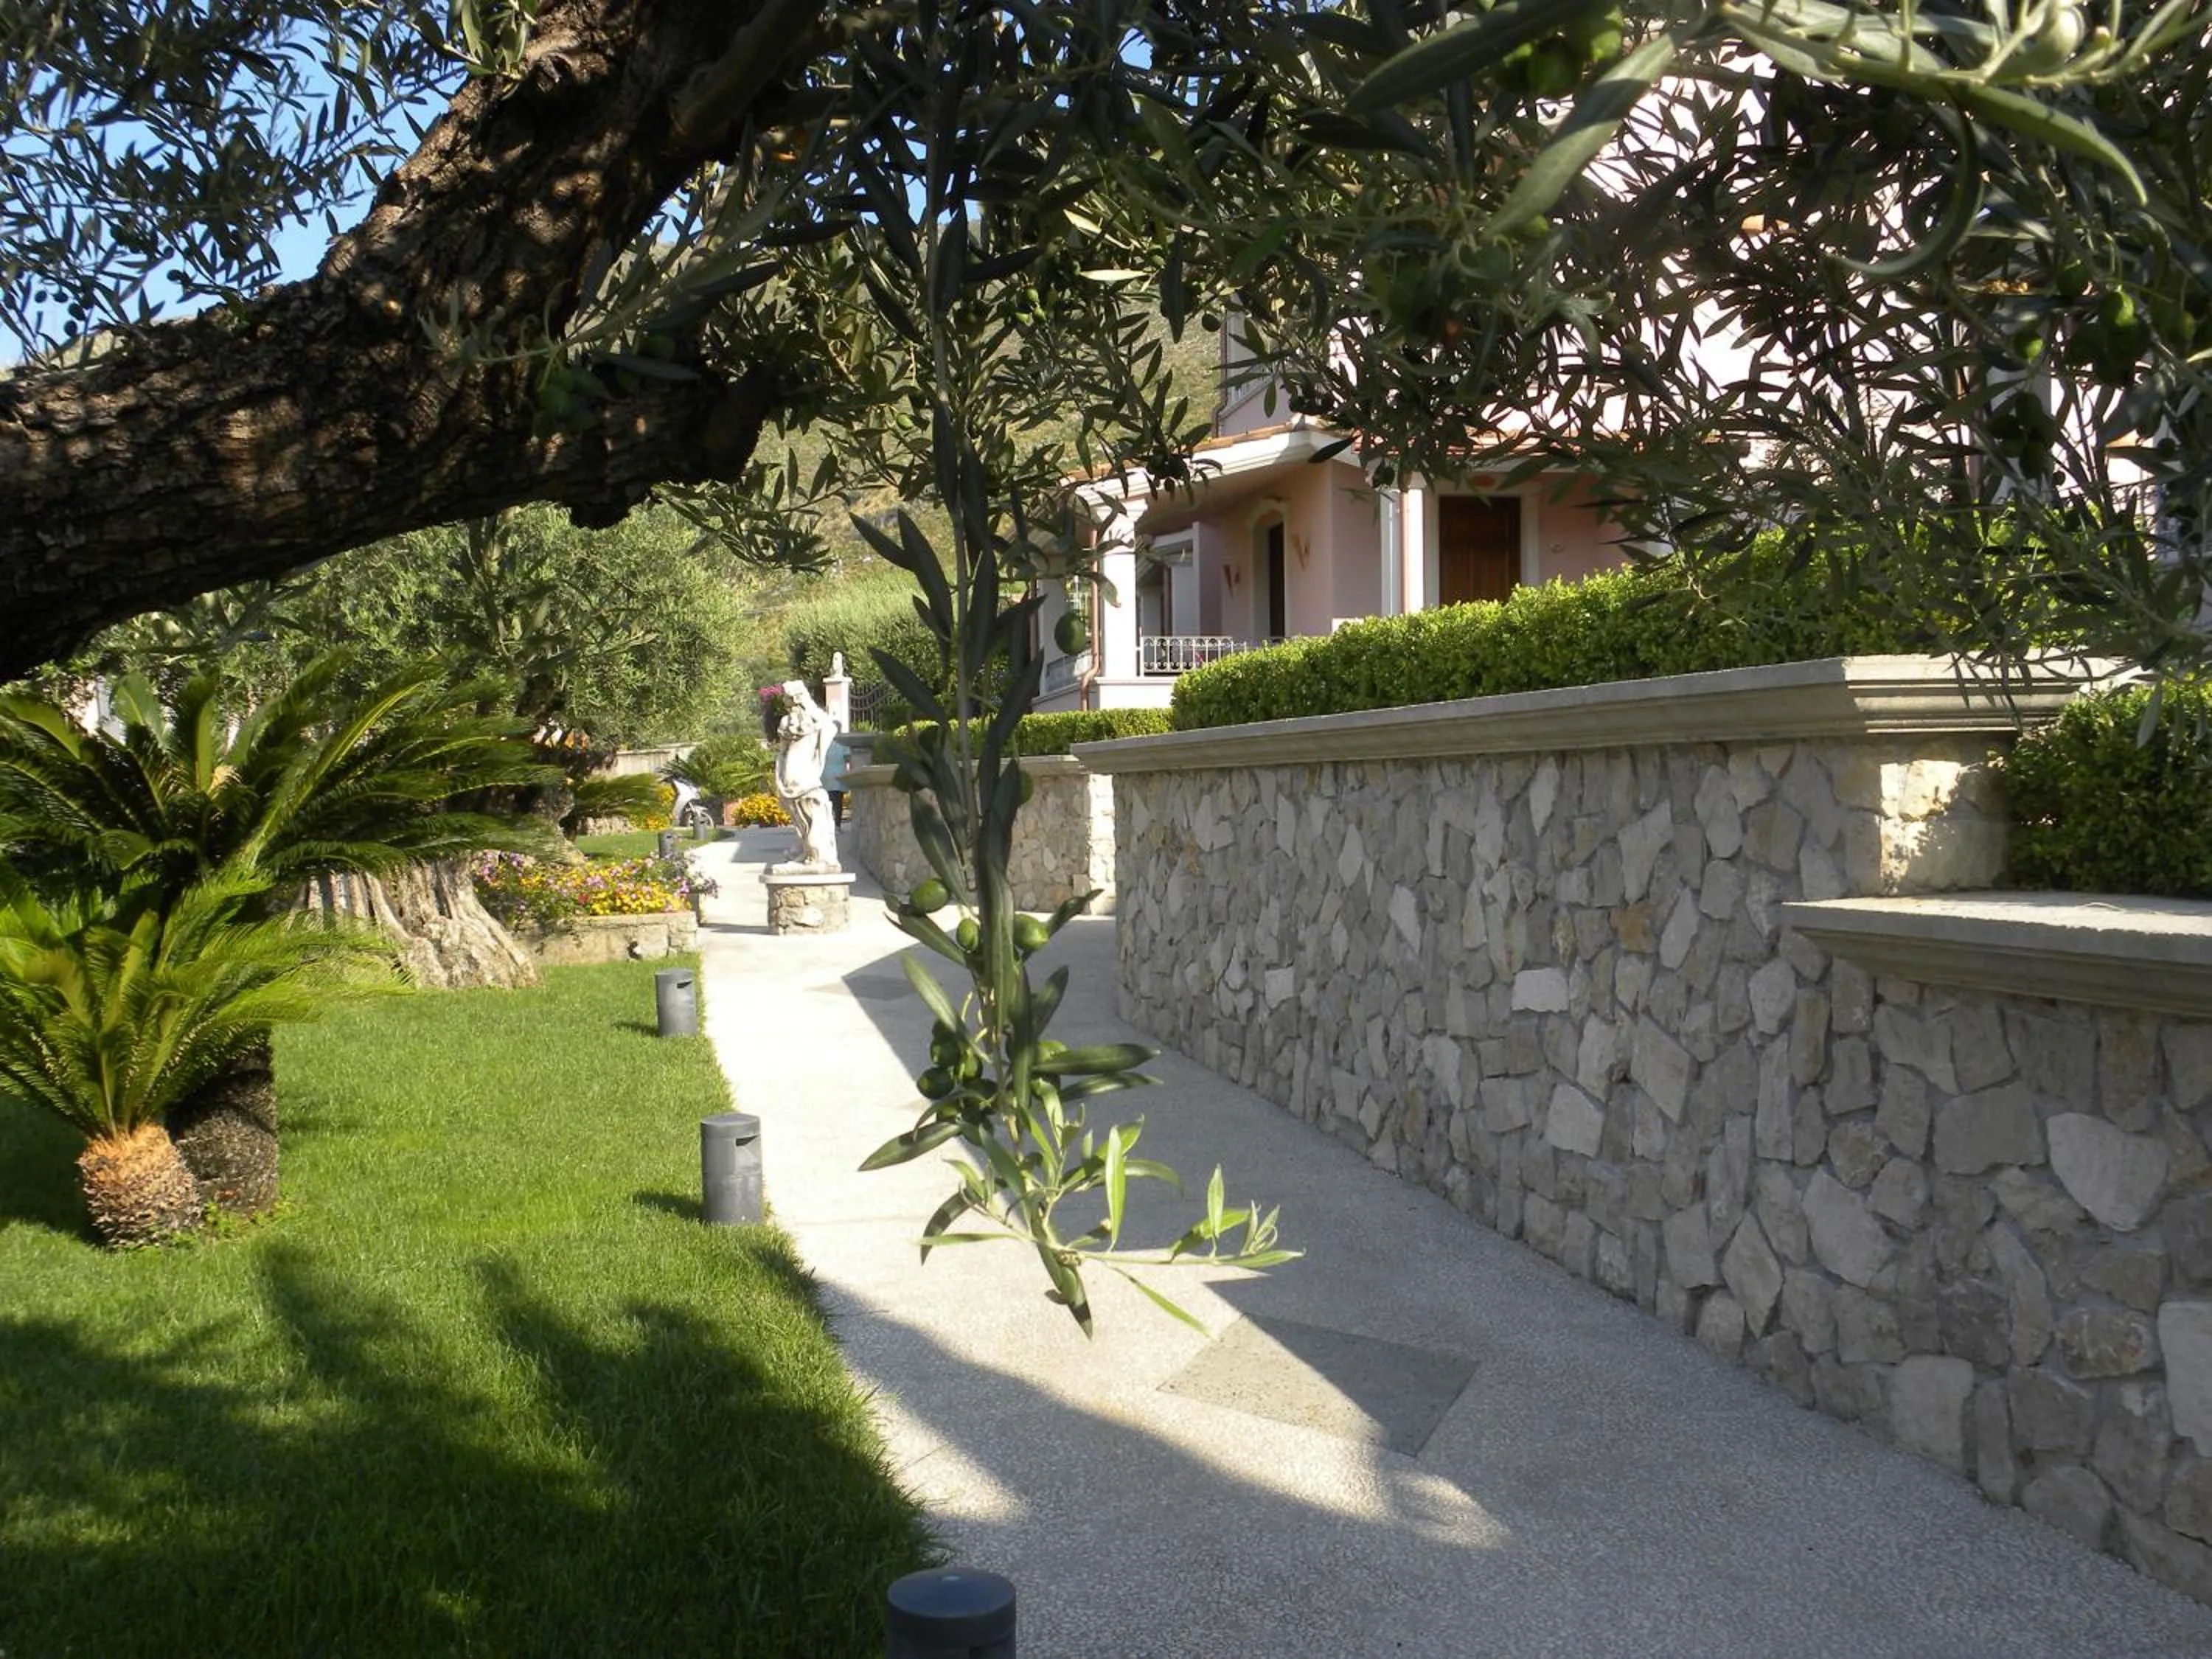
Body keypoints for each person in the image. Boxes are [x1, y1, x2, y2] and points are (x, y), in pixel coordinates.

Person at [771, 679, 840, 872]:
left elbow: (830, 727)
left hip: (801, 772)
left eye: (787, 697)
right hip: (794, 772)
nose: (785, 701)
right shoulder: (789, 722)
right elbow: (783, 753)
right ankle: (808, 850)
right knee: (800, 813)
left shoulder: (812, 720)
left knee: (808, 810)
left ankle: (814, 853)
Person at [823, 728, 852, 827]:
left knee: (827, 800)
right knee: (838, 801)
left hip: (826, 775)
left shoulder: (824, 742)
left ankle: (828, 823)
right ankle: (837, 825)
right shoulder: (843, 743)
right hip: (839, 774)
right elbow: (848, 758)